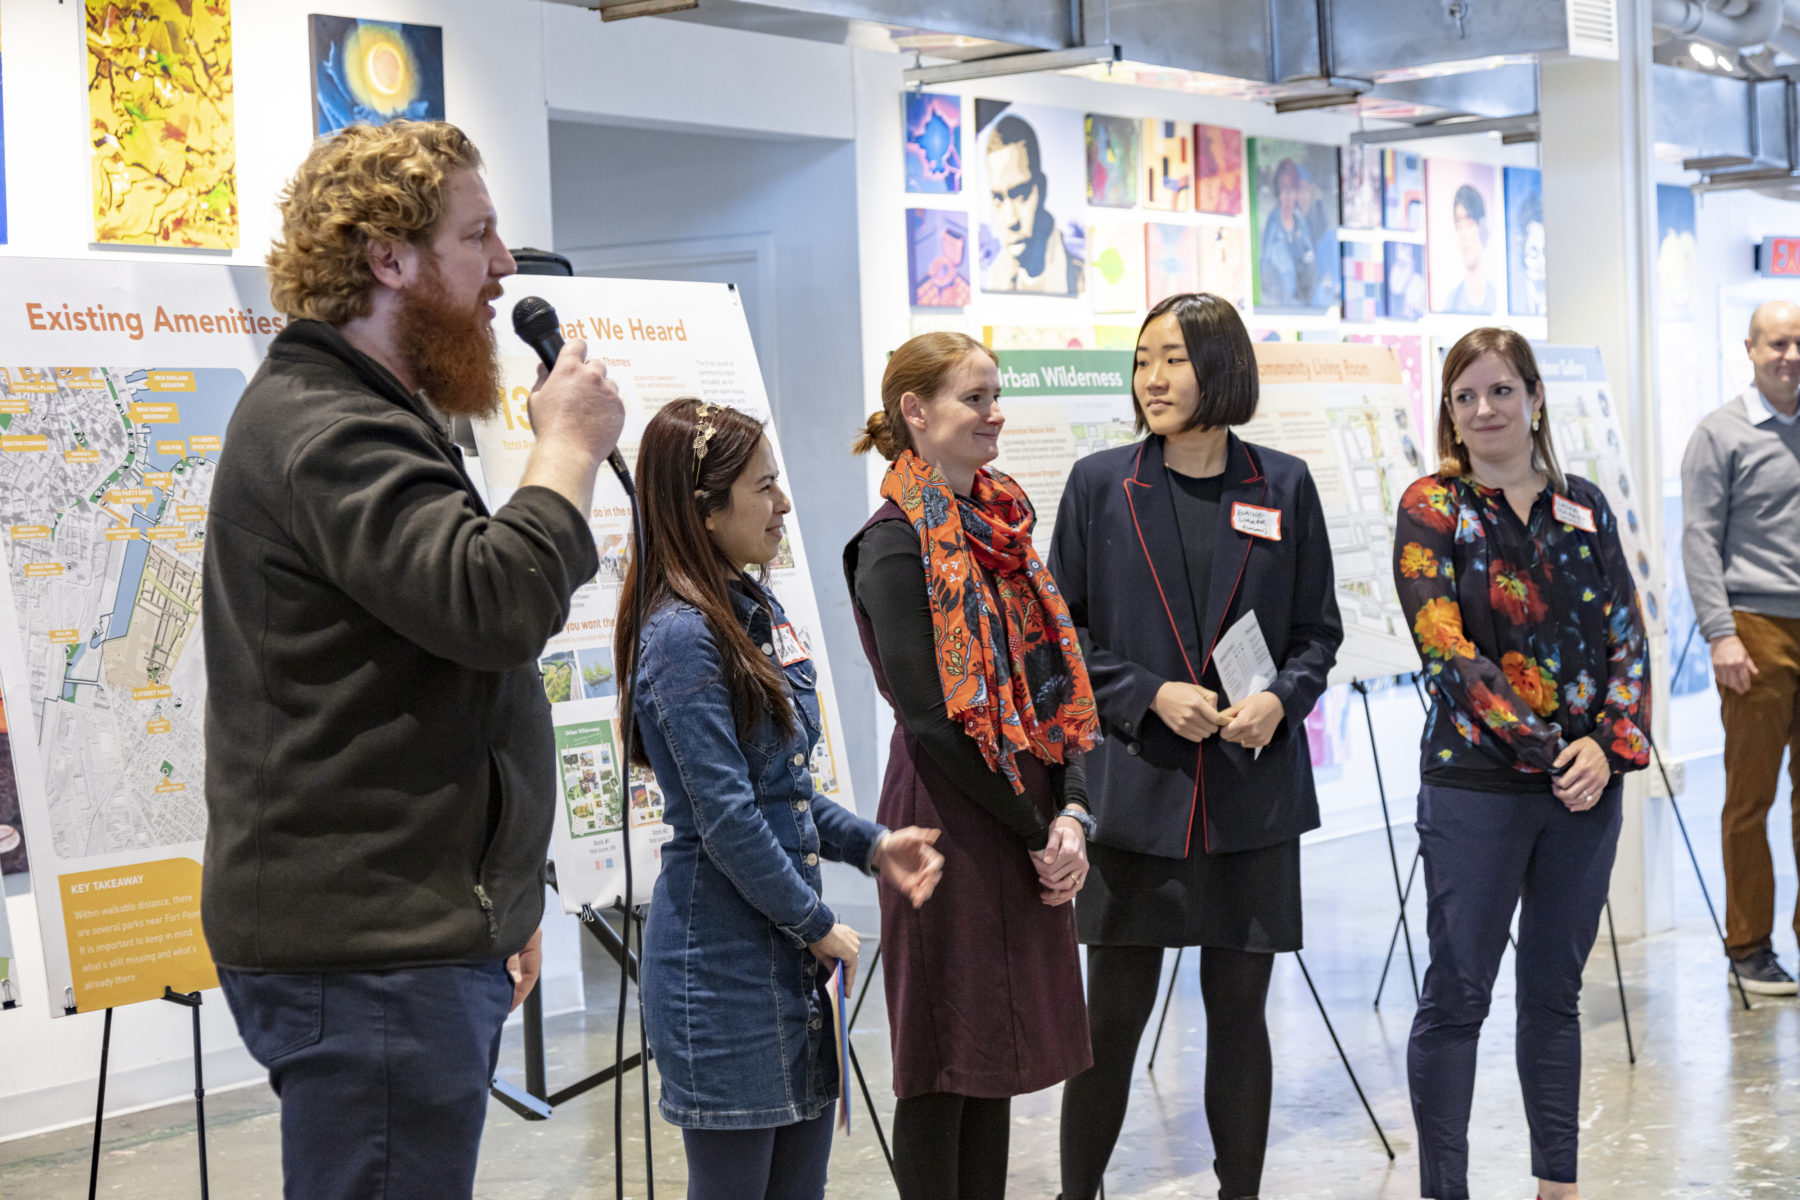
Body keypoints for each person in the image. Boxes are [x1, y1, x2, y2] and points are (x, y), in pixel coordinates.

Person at [201, 121, 626, 1199]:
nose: (504, 267)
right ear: (388, 258)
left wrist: (499, 906)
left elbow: (442, 653)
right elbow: (492, 603)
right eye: (478, 236)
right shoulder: (327, 428)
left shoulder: (371, 414)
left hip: (414, 935)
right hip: (369, 953)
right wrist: (567, 445)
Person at [1048, 293, 1343, 1200]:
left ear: (1221, 365)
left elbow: (1315, 632)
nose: (1153, 379)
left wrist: (1281, 702)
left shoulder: (1283, 485)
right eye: (1142, 361)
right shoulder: (1101, 485)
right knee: (1113, 1022)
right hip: (1138, 798)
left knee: (1240, 1019)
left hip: (1251, 799)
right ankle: (1074, 1194)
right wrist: (1145, 694)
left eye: (1171, 358)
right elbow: (1059, 635)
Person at [617, 399, 945, 1199]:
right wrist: (817, 923)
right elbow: (725, 816)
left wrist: (871, 844)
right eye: (765, 487)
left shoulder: (752, 609)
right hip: (720, 972)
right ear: (705, 508)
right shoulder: (680, 636)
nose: (784, 503)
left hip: (788, 962)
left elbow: (781, 790)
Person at [1393, 327, 1650, 1200]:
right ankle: (1446, 1190)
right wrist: (1552, 751)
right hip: (1476, 785)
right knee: (1457, 995)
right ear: (1449, 414)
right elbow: (1444, 649)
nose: (1484, 410)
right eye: (1464, 396)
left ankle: (1558, 1184)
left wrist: (1605, 747)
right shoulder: (1433, 506)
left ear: (1536, 399)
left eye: (1501, 390)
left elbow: (1628, 639)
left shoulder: (1584, 504)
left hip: (1586, 788)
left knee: (1555, 994)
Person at [845, 331, 1099, 1199]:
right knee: (943, 1061)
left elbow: (1055, 682)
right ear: (915, 412)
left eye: (995, 396)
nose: (996, 415)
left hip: (1026, 809)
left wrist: (1071, 813)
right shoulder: (890, 545)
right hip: (944, 820)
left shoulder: (1005, 528)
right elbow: (933, 719)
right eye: (975, 398)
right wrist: (1035, 827)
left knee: (999, 1060)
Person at [1680, 299, 1800, 995]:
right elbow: (1698, 538)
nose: (1790, 355)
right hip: (1753, 629)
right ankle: (1749, 946)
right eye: (1777, 343)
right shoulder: (1720, 434)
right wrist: (1720, 633)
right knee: (1749, 799)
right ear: (1750, 349)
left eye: (1798, 343)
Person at [982, 114, 1084, 296]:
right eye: (998, 198)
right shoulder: (991, 279)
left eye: (1020, 194)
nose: (1011, 219)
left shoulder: (1080, 279)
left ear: (1042, 189)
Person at [1259, 158, 1319, 308]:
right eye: (1283, 191)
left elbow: (1311, 258)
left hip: (1301, 299)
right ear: (1278, 194)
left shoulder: (1301, 222)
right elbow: (1265, 264)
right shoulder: (1272, 222)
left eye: (1291, 191)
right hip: (1278, 298)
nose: (1287, 197)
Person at [1443, 183, 1497, 315]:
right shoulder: (1451, 302)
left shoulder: (1498, 298)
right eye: (1459, 225)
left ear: (1482, 228)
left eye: (1469, 223)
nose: (1463, 235)